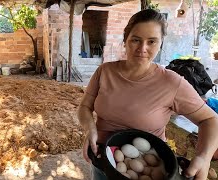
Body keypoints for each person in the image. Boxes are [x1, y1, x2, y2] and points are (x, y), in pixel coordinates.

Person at [77, 9, 218, 180]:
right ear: (125, 41)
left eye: (151, 41)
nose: (142, 48)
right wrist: (90, 130)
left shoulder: (172, 83)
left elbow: (210, 119)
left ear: (160, 43)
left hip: (149, 169)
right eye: (135, 40)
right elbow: (85, 106)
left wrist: (204, 157)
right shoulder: (105, 71)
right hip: (103, 159)